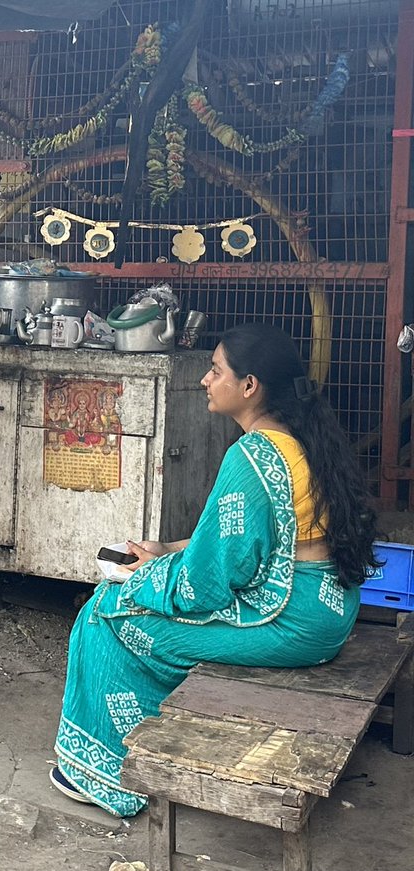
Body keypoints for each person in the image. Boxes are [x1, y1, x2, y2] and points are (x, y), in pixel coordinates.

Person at [51, 323, 379, 815]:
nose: (205, 380)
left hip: (287, 619)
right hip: (327, 610)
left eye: (215, 370)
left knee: (108, 613)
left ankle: (109, 771)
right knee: (136, 595)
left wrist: (144, 578)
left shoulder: (251, 456)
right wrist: (165, 549)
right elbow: (242, 542)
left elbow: (204, 584)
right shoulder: (301, 440)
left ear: (249, 386)